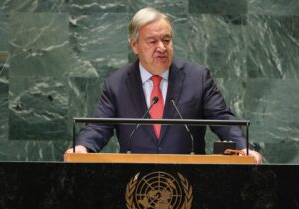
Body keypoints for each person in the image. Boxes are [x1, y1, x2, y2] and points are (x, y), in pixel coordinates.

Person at [65, 7, 263, 163]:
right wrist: (82, 148)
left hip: (191, 183)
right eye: (152, 41)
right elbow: (99, 126)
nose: (162, 48)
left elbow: (222, 119)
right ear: (134, 45)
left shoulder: (197, 78)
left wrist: (243, 147)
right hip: (134, 184)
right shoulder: (116, 84)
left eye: (166, 40)